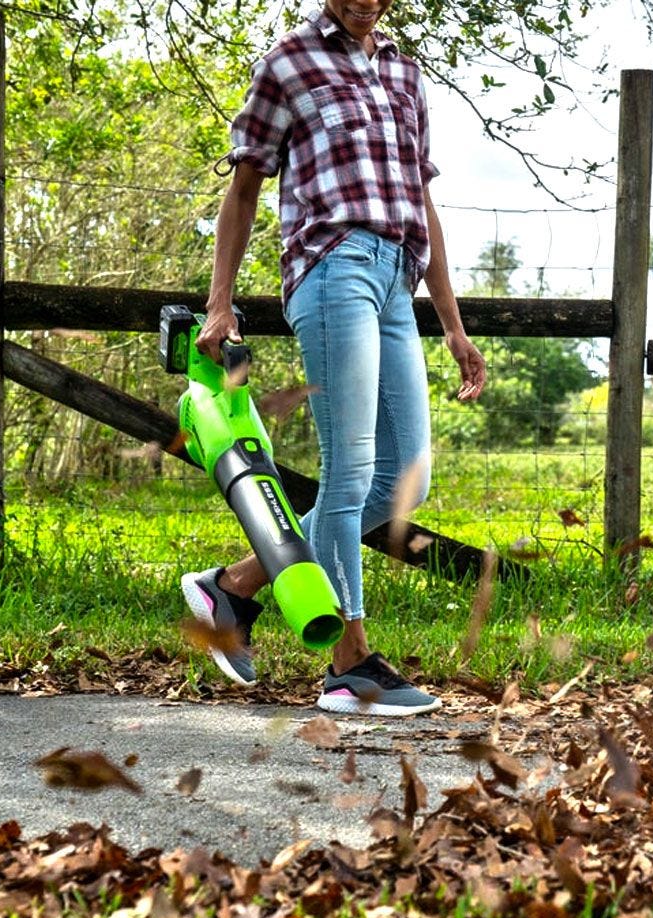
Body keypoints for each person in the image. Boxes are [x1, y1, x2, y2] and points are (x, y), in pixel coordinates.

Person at [180, 0, 486, 716]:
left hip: (395, 277)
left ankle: (232, 588)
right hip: (331, 268)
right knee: (348, 473)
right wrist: (219, 303)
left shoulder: (406, 76)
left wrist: (453, 323)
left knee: (406, 479)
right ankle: (350, 668)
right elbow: (245, 187)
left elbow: (424, 205)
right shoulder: (288, 62)